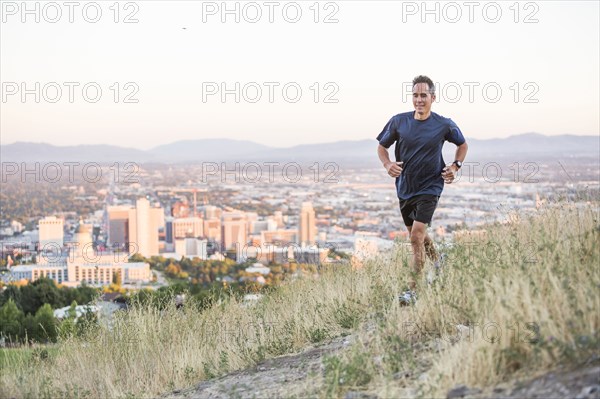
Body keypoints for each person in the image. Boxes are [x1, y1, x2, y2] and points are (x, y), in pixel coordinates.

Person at [376, 75, 468, 304]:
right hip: (405, 187)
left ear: (433, 98)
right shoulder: (398, 122)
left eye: (423, 95)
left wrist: (455, 166)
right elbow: (381, 147)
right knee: (417, 236)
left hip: (431, 185)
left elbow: (462, 144)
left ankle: (413, 291)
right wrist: (388, 164)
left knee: (416, 237)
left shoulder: (443, 124)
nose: (419, 100)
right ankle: (438, 261)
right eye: (415, 95)